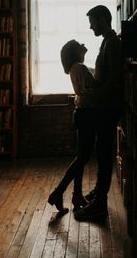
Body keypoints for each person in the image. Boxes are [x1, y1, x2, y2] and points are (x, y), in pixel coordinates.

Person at [74, 5, 122, 221]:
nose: (90, 26)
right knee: (100, 152)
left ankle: (100, 204)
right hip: (104, 105)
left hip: (107, 107)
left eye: (92, 22)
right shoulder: (107, 41)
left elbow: (115, 79)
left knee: (103, 154)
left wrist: (97, 94)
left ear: (102, 20)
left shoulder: (112, 43)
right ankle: (98, 193)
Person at [48, 39, 98, 215]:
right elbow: (92, 90)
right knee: (83, 157)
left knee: (81, 157)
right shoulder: (79, 67)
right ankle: (58, 192)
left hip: (83, 114)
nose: (83, 44)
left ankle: (76, 195)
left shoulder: (76, 68)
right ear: (74, 52)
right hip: (87, 114)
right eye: (79, 44)